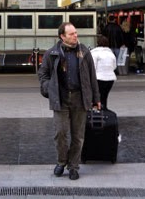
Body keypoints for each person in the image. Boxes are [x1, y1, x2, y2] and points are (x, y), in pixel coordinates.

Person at [37, 22, 100, 181]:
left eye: (76, 33)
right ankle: (61, 161)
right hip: (61, 99)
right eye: (71, 34)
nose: (75, 36)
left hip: (80, 99)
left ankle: (74, 166)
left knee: (78, 136)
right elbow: (42, 74)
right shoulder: (52, 53)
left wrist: (96, 98)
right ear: (62, 36)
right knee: (60, 133)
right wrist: (48, 88)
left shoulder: (84, 51)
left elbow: (92, 76)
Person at [89, 35, 117, 110]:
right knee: (104, 95)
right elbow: (114, 66)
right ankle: (104, 109)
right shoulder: (111, 54)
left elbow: (92, 67)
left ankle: (97, 111)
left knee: (97, 96)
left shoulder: (94, 53)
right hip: (110, 78)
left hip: (99, 77)